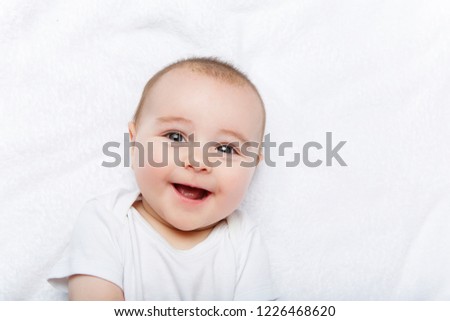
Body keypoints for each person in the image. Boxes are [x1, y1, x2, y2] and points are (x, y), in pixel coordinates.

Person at [47, 57, 277, 300]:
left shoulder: (242, 239)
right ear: (134, 143)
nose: (198, 162)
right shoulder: (107, 220)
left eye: (226, 149)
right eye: (176, 137)